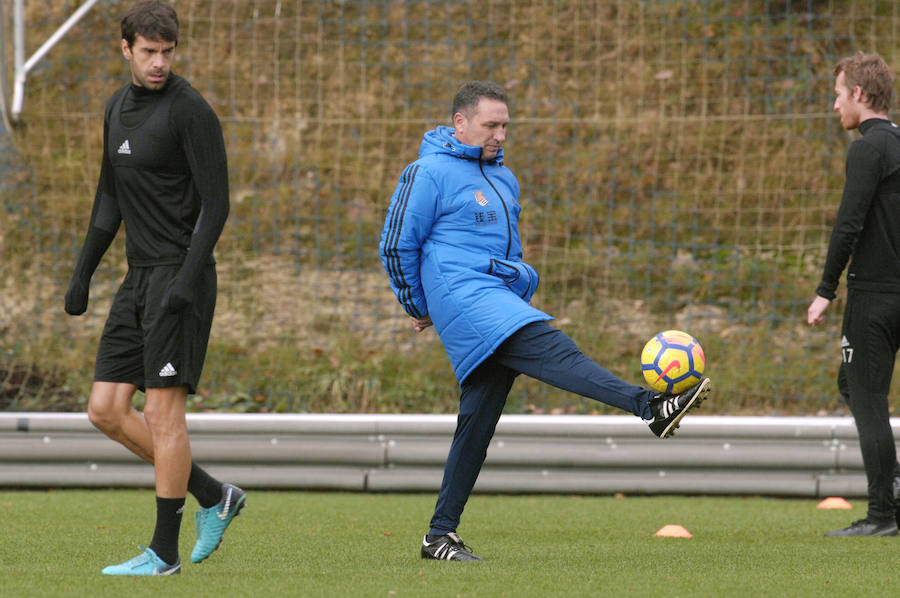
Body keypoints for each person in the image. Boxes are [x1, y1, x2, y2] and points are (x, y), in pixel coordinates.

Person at [379, 81, 712, 561]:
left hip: (494, 297)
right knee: (552, 349)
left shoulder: (504, 178)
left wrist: (516, 287)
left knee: (477, 422)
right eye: (491, 125)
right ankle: (650, 407)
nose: (500, 135)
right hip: (465, 298)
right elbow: (395, 244)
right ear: (460, 123)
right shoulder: (427, 172)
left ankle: (439, 535)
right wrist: (417, 304)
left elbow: (507, 252)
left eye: (505, 125)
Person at [64, 1, 244, 574]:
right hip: (137, 276)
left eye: (168, 52)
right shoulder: (117, 107)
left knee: (166, 419)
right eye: (149, 52)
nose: (160, 62)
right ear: (126, 50)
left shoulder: (191, 110)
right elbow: (108, 197)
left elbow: (216, 204)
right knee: (106, 410)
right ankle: (215, 495)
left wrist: (188, 280)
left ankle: (162, 554)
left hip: (179, 277)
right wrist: (82, 272)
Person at [808, 53, 900, 537]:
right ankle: (894, 493)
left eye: (839, 93)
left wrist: (826, 289)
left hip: (874, 297)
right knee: (853, 386)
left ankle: (883, 515)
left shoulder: (866, 149)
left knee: (865, 396)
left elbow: (849, 223)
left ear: (860, 96)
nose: (835, 103)